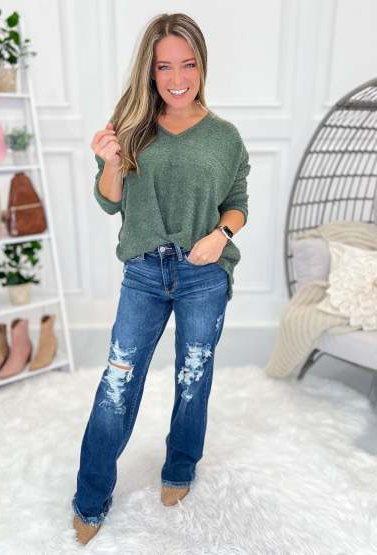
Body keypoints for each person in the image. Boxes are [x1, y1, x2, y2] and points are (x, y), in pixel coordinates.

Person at [72, 12, 251, 545]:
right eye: (164, 66)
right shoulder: (131, 125)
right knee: (118, 381)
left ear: (201, 67)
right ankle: (90, 495)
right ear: (149, 71)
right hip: (144, 272)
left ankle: (180, 466)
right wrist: (109, 161)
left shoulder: (224, 137)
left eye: (187, 64)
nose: (177, 78)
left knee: (193, 378)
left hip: (203, 273)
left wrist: (220, 235)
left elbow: (237, 202)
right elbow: (109, 202)